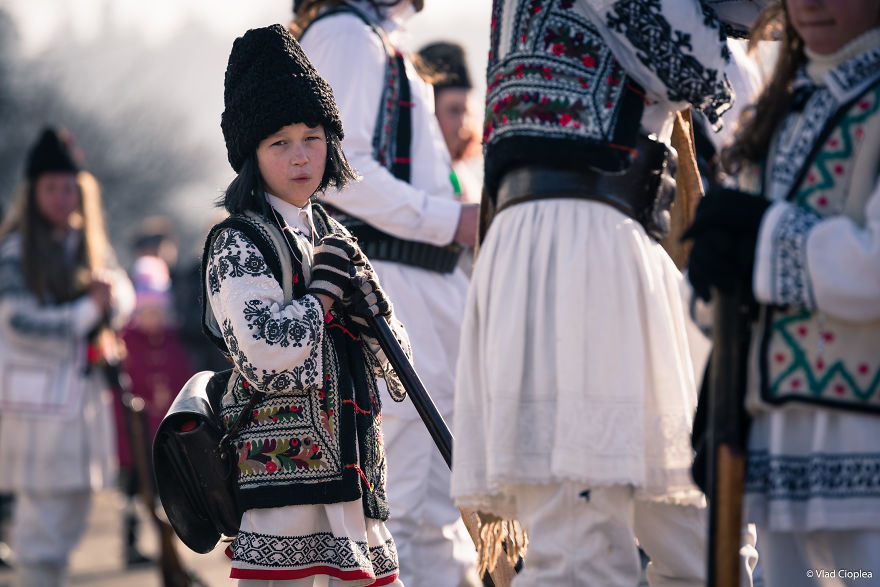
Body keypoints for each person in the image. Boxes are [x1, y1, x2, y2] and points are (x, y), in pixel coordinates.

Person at [449, 1, 751, 585]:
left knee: (708, 544)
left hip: (616, 239)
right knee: (581, 548)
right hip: (577, 237)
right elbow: (707, 73)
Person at [203, 24, 411, 585]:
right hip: (281, 487)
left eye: (313, 136)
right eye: (280, 143)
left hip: (356, 472)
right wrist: (322, 299)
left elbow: (399, 364)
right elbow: (264, 351)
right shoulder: (238, 240)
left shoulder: (335, 236)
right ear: (251, 154)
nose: (301, 156)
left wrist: (375, 317)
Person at [685, 1, 880, 584]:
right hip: (774, 442)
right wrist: (709, 283)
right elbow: (737, 291)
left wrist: (760, 241)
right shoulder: (778, 110)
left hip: (864, 439)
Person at [293, 3, 481, 585]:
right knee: (391, 508)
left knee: (435, 510)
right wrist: (449, 220)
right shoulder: (347, 32)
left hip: (425, 288)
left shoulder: (375, 34)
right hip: (389, 286)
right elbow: (339, 168)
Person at [0, 127, 135, 586]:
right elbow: (18, 323)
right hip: (35, 407)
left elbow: (123, 293)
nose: (61, 198)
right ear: (33, 192)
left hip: (79, 402)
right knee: (41, 532)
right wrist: (88, 310)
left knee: (70, 522)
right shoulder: (15, 252)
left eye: (68, 188)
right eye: (51, 188)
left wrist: (109, 300)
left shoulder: (87, 245)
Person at [114, 218, 193, 568]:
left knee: (165, 493)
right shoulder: (126, 343)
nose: (153, 319)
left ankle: (169, 543)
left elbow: (182, 380)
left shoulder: (174, 344)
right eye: (146, 312)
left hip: (162, 432)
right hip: (133, 432)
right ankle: (130, 543)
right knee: (132, 493)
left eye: (158, 312)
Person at [416, 41, 482, 206]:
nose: (463, 124)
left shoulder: (462, 173)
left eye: (465, 111)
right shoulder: (415, 180)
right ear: (428, 111)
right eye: (454, 110)